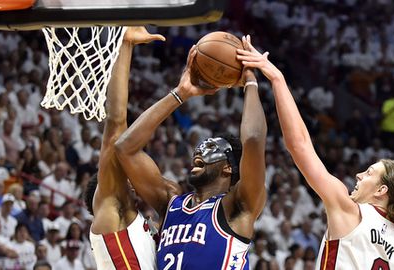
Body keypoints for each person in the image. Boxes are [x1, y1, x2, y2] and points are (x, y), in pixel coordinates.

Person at [237, 38, 394, 269]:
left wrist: (277, 78)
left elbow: (298, 145)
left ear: (382, 190)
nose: (359, 175)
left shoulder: (350, 210)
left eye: (370, 173)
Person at [115, 35, 267, 269]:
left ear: (228, 167)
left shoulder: (237, 206)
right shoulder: (171, 201)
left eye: (211, 148)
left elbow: (254, 140)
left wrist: (250, 81)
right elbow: (125, 148)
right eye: (201, 146)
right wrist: (181, 93)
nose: (200, 150)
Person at [83, 27, 165, 270]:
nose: (130, 179)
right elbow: (116, 122)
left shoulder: (137, 221)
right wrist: (124, 46)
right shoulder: (111, 206)